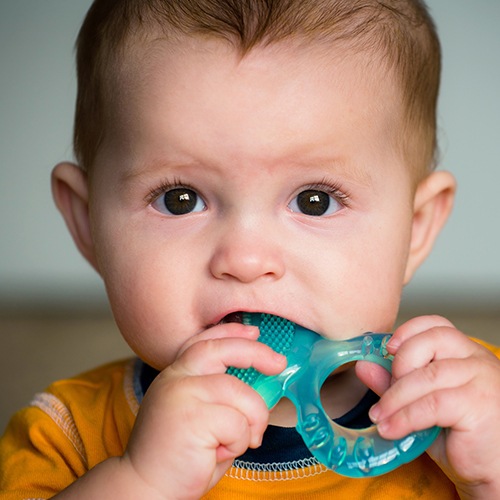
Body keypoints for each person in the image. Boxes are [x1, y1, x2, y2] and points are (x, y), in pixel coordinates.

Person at [1, 0, 499, 498]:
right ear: (88, 224)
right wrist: (141, 481)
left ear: (414, 228)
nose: (246, 260)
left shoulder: (474, 404)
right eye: (180, 200)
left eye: (315, 201)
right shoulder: (65, 437)